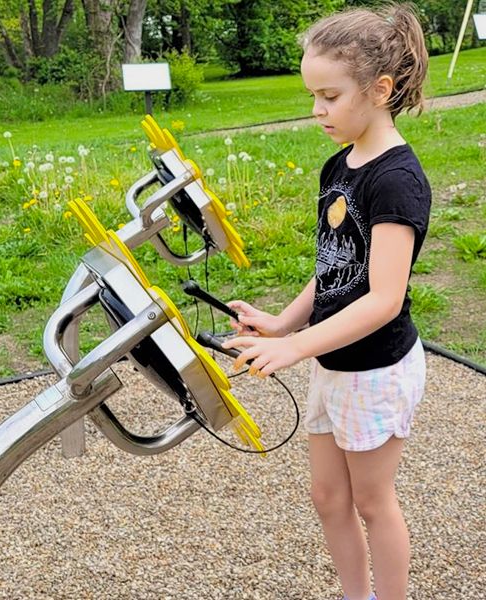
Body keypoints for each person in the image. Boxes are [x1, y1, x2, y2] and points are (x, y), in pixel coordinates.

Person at [222, 3, 431, 600]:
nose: (317, 110)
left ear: (380, 89)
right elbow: (335, 270)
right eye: (313, 95)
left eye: (329, 96)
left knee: (372, 501)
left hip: (377, 369)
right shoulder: (339, 165)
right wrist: (280, 323)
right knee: (328, 497)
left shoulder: (396, 179)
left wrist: (294, 347)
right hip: (332, 360)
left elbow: (384, 299)